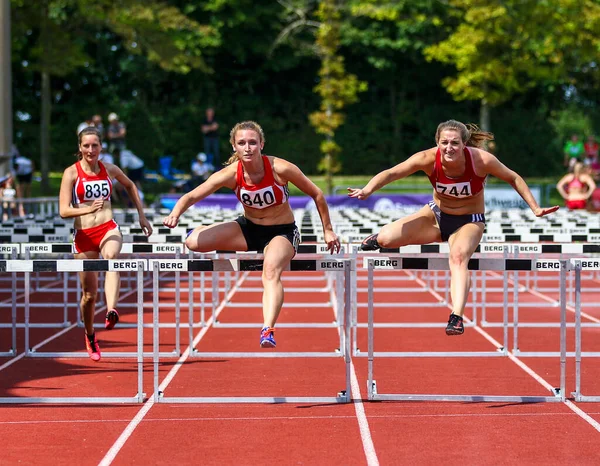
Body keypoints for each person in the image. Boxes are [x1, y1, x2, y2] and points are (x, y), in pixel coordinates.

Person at [348, 119, 559, 336]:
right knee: (385, 240)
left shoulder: (481, 160)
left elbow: (513, 177)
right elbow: (392, 173)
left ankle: (456, 317)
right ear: (437, 143)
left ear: (464, 144)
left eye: (455, 143)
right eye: (444, 142)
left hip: (469, 221)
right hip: (436, 216)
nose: (449, 148)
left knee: (458, 257)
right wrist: (368, 189)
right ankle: (379, 236)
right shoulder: (427, 158)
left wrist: (534, 208)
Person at [163, 120, 340, 348]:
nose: (248, 148)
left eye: (252, 143)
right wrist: (175, 213)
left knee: (270, 270)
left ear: (262, 145)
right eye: (242, 143)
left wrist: (328, 230)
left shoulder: (280, 168)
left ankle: (268, 329)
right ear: (234, 147)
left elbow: (316, 194)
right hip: (248, 229)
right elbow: (191, 196)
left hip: (281, 232)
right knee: (193, 242)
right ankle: (199, 230)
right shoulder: (230, 174)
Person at [59, 127, 152, 361]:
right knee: (89, 295)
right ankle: (90, 335)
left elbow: (130, 185)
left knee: (111, 258)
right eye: (87, 146)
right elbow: (63, 210)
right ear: (79, 148)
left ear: (101, 147)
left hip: (107, 228)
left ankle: (111, 309)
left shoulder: (109, 169)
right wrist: (88, 208)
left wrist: (141, 215)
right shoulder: (71, 173)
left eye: (95, 145)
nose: (91, 150)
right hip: (83, 235)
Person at [13, 152, 34, 216]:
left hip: (27, 173)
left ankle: (27, 204)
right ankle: (21, 206)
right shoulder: (15, 166)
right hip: (21, 174)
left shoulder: (25, 162)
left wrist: (32, 173)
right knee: (20, 189)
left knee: (27, 189)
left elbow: (32, 163)